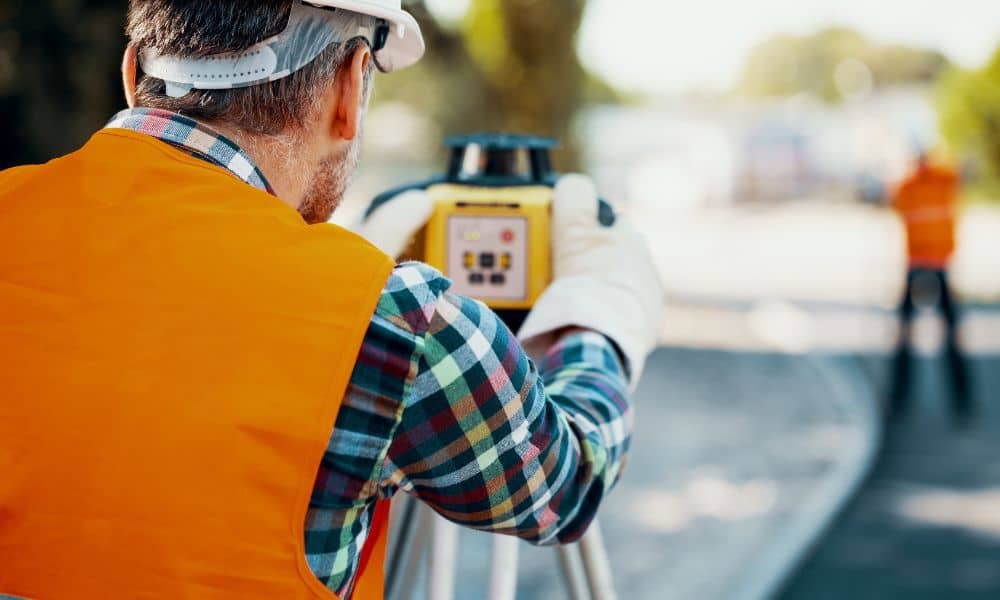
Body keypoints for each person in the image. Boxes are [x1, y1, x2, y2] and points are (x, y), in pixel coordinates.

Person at [0, 2, 662, 599]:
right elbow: (563, 487)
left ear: (131, 68)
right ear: (350, 82)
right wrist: (598, 320)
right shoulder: (400, 323)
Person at [888, 153, 971, 421]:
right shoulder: (907, 185)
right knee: (904, 336)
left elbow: (961, 175)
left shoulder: (942, 179)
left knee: (950, 336)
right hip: (915, 264)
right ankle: (899, 399)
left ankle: (962, 401)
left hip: (938, 264)